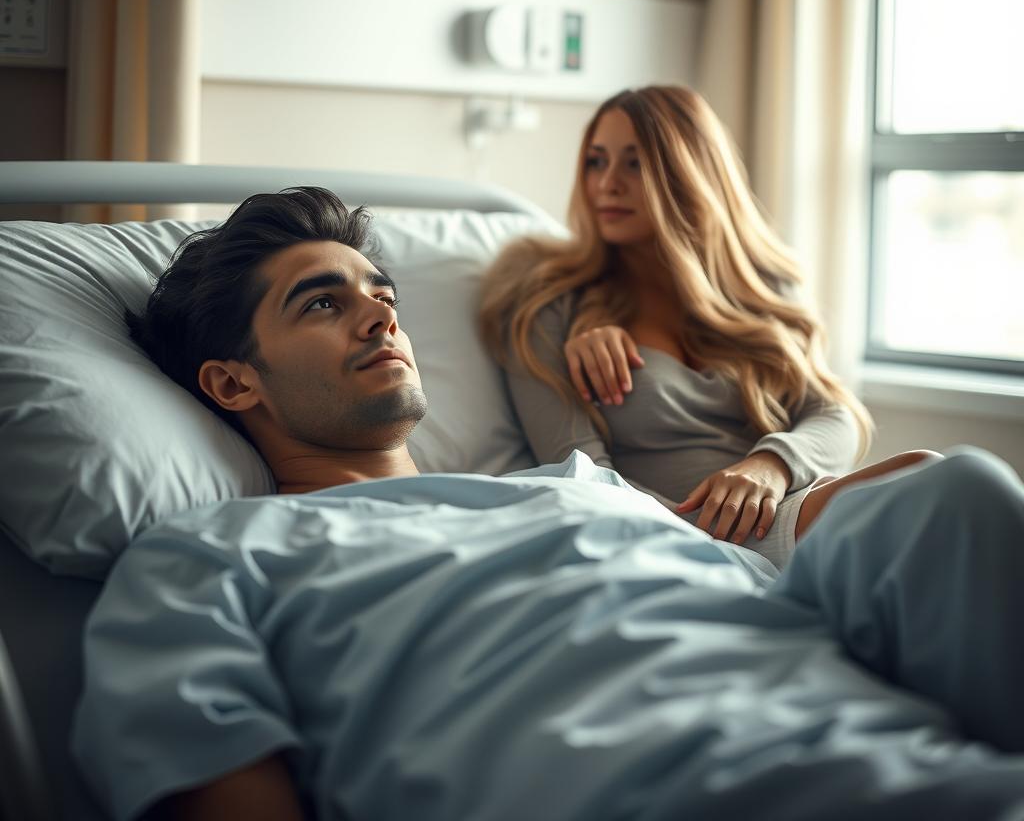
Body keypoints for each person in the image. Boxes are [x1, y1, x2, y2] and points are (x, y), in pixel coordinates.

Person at [71, 187, 1024, 821]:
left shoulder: (582, 485)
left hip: (924, 767)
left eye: (382, 292)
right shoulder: (209, 557)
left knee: (953, 486)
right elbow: (212, 772)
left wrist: (824, 492)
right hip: (671, 791)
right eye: (323, 304)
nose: (381, 315)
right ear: (235, 386)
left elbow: (785, 599)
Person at [479, 85, 926, 568]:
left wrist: (769, 466)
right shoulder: (548, 302)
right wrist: (700, 535)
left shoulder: (762, 288)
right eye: (596, 161)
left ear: (689, 172)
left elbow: (838, 416)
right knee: (944, 482)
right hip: (688, 531)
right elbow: (581, 478)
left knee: (939, 480)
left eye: (635, 162)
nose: (607, 183)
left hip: (786, 505)